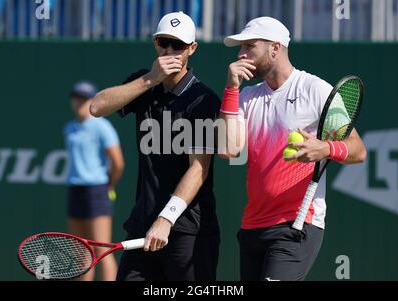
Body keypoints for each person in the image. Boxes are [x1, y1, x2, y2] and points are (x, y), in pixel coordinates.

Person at [219, 17, 367, 281]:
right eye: (240, 48)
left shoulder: (315, 90)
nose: (241, 54)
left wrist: (325, 148)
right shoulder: (245, 97)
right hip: (253, 226)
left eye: (249, 46)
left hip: (297, 224)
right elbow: (229, 150)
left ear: (275, 48)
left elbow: (358, 150)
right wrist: (231, 88)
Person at [90, 11, 221, 281]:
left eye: (179, 45)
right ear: (155, 43)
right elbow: (96, 106)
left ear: (192, 49)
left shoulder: (204, 99)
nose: (170, 51)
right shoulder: (144, 83)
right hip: (142, 226)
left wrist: (166, 219)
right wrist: (151, 78)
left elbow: (198, 170)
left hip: (188, 231)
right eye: (164, 42)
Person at [64, 80, 125, 281]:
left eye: (84, 98)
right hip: (75, 189)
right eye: (77, 97)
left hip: (97, 190)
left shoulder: (102, 126)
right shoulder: (70, 128)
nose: (80, 102)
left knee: (102, 249)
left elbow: (117, 162)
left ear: (92, 100)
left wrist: (109, 183)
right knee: (80, 249)